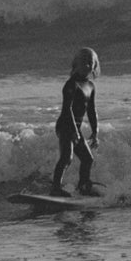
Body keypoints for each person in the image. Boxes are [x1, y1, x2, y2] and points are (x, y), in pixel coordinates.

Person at [51, 47, 100, 196]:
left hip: (75, 128)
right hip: (65, 125)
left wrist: (95, 131)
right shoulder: (71, 84)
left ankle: (83, 186)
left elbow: (91, 110)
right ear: (76, 64)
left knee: (88, 159)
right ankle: (55, 188)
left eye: (90, 62)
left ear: (94, 65)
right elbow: (67, 109)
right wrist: (73, 131)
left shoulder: (90, 86)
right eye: (83, 61)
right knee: (67, 158)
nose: (87, 65)